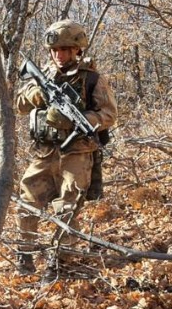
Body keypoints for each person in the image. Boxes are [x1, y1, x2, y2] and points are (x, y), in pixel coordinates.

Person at [14, 19, 117, 279]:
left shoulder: (92, 78)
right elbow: (19, 104)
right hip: (45, 152)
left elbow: (109, 114)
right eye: (56, 50)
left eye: (66, 50)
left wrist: (83, 120)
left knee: (68, 207)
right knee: (27, 202)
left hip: (77, 153)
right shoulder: (44, 75)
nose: (60, 55)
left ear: (77, 50)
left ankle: (58, 263)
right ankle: (24, 258)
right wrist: (37, 95)